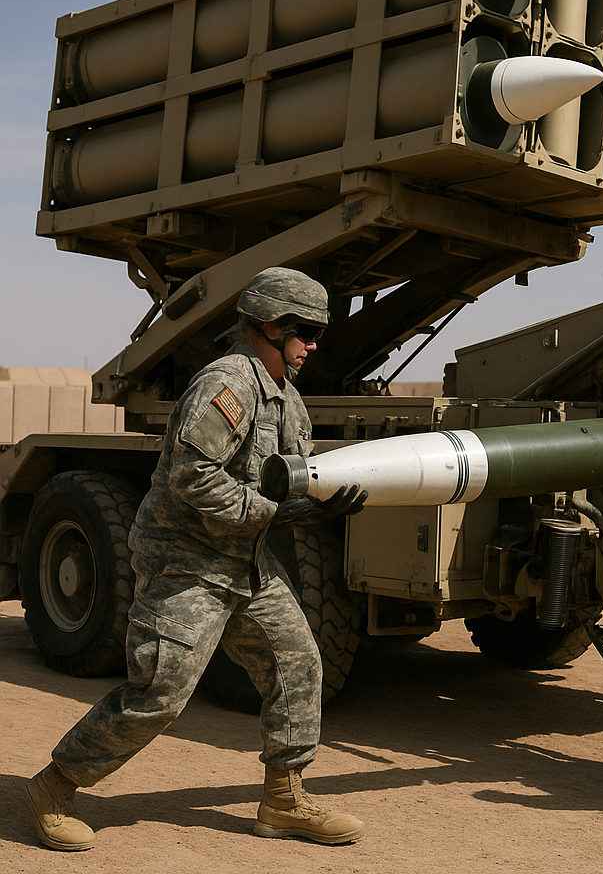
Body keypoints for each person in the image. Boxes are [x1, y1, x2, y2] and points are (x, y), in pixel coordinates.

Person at [25, 267, 367, 852]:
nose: (313, 345)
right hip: (188, 565)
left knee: (298, 665)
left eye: (317, 334)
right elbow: (192, 477)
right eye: (305, 331)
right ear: (268, 324)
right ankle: (55, 787)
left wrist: (315, 505)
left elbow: (285, 475)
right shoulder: (226, 385)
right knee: (159, 693)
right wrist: (267, 512)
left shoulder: (282, 394)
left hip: (245, 565)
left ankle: (283, 800)